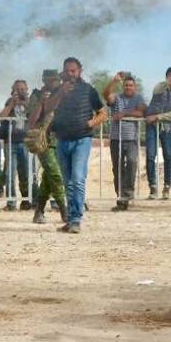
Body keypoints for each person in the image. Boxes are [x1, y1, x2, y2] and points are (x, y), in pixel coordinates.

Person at [43, 57, 106, 233]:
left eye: (73, 71)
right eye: (67, 71)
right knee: (67, 181)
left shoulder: (89, 90)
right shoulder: (57, 90)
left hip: (82, 139)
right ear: (63, 72)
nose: (70, 74)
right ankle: (71, 219)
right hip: (62, 139)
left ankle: (76, 219)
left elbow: (103, 113)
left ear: (79, 71)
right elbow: (47, 108)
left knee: (77, 179)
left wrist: (90, 124)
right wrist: (61, 93)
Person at [26, 69, 68, 225]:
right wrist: (41, 103)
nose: (53, 83)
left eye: (55, 80)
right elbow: (31, 121)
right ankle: (65, 212)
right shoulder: (37, 95)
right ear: (44, 80)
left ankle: (39, 211)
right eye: (49, 80)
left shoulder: (62, 95)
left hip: (61, 140)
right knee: (55, 175)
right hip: (43, 141)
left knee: (48, 178)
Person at [104, 73, 146, 211]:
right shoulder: (117, 97)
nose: (128, 87)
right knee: (118, 168)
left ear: (135, 87)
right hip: (116, 139)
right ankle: (121, 199)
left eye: (131, 85)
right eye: (126, 85)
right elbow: (106, 95)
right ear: (123, 86)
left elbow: (141, 112)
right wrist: (113, 82)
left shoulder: (139, 97)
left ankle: (128, 193)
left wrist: (124, 114)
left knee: (132, 163)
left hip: (132, 138)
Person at [145, 66, 171, 199]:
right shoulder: (159, 87)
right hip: (152, 126)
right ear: (167, 77)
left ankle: (167, 186)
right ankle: (153, 186)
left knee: (168, 156)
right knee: (150, 155)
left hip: (166, 127)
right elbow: (158, 92)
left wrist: (158, 117)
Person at [0, 79, 32, 210]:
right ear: (13, 91)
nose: (21, 92)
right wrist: (12, 104)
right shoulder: (9, 102)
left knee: (25, 173)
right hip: (10, 142)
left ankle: (26, 200)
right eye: (18, 89)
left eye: (23, 89)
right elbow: (1, 116)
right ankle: (11, 202)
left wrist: (26, 103)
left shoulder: (31, 102)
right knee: (10, 173)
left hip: (26, 141)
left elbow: (35, 114)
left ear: (27, 90)